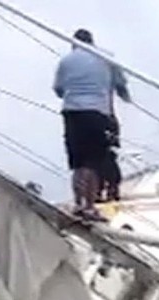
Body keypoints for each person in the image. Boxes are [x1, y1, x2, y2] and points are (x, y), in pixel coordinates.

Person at [52, 28, 131, 218]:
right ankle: (89, 206)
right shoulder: (106, 57)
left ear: (74, 43)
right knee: (93, 162)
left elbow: (59, 90)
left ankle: (78, 204)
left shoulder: (65, 61)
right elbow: (121, 85)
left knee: (77, 163)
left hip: (71, 113)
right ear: (92, 42)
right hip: (97, 113)